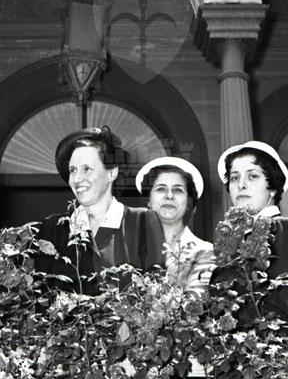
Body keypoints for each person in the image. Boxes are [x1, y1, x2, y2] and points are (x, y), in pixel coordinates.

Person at [33, 126, 163, 295]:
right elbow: (40, 298)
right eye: (73, 170)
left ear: (112, 173)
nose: (77, 179)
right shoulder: (52, 228)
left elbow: (156, 294)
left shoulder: (143, 221)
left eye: (87, 169)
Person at [214, 140, 288, 323]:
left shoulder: (283, 229)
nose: (241, 185)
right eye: (234, 178)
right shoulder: (234, 241)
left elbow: (283, 314)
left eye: (252, 176)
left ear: (273, 188)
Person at [135, 156, 214, 295]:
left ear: (189, 203)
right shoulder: (131, 248)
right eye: (161, 189)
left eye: (178, 190)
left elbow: (195, 301)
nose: (169, 196)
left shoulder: (205, 252)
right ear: (148, 200)